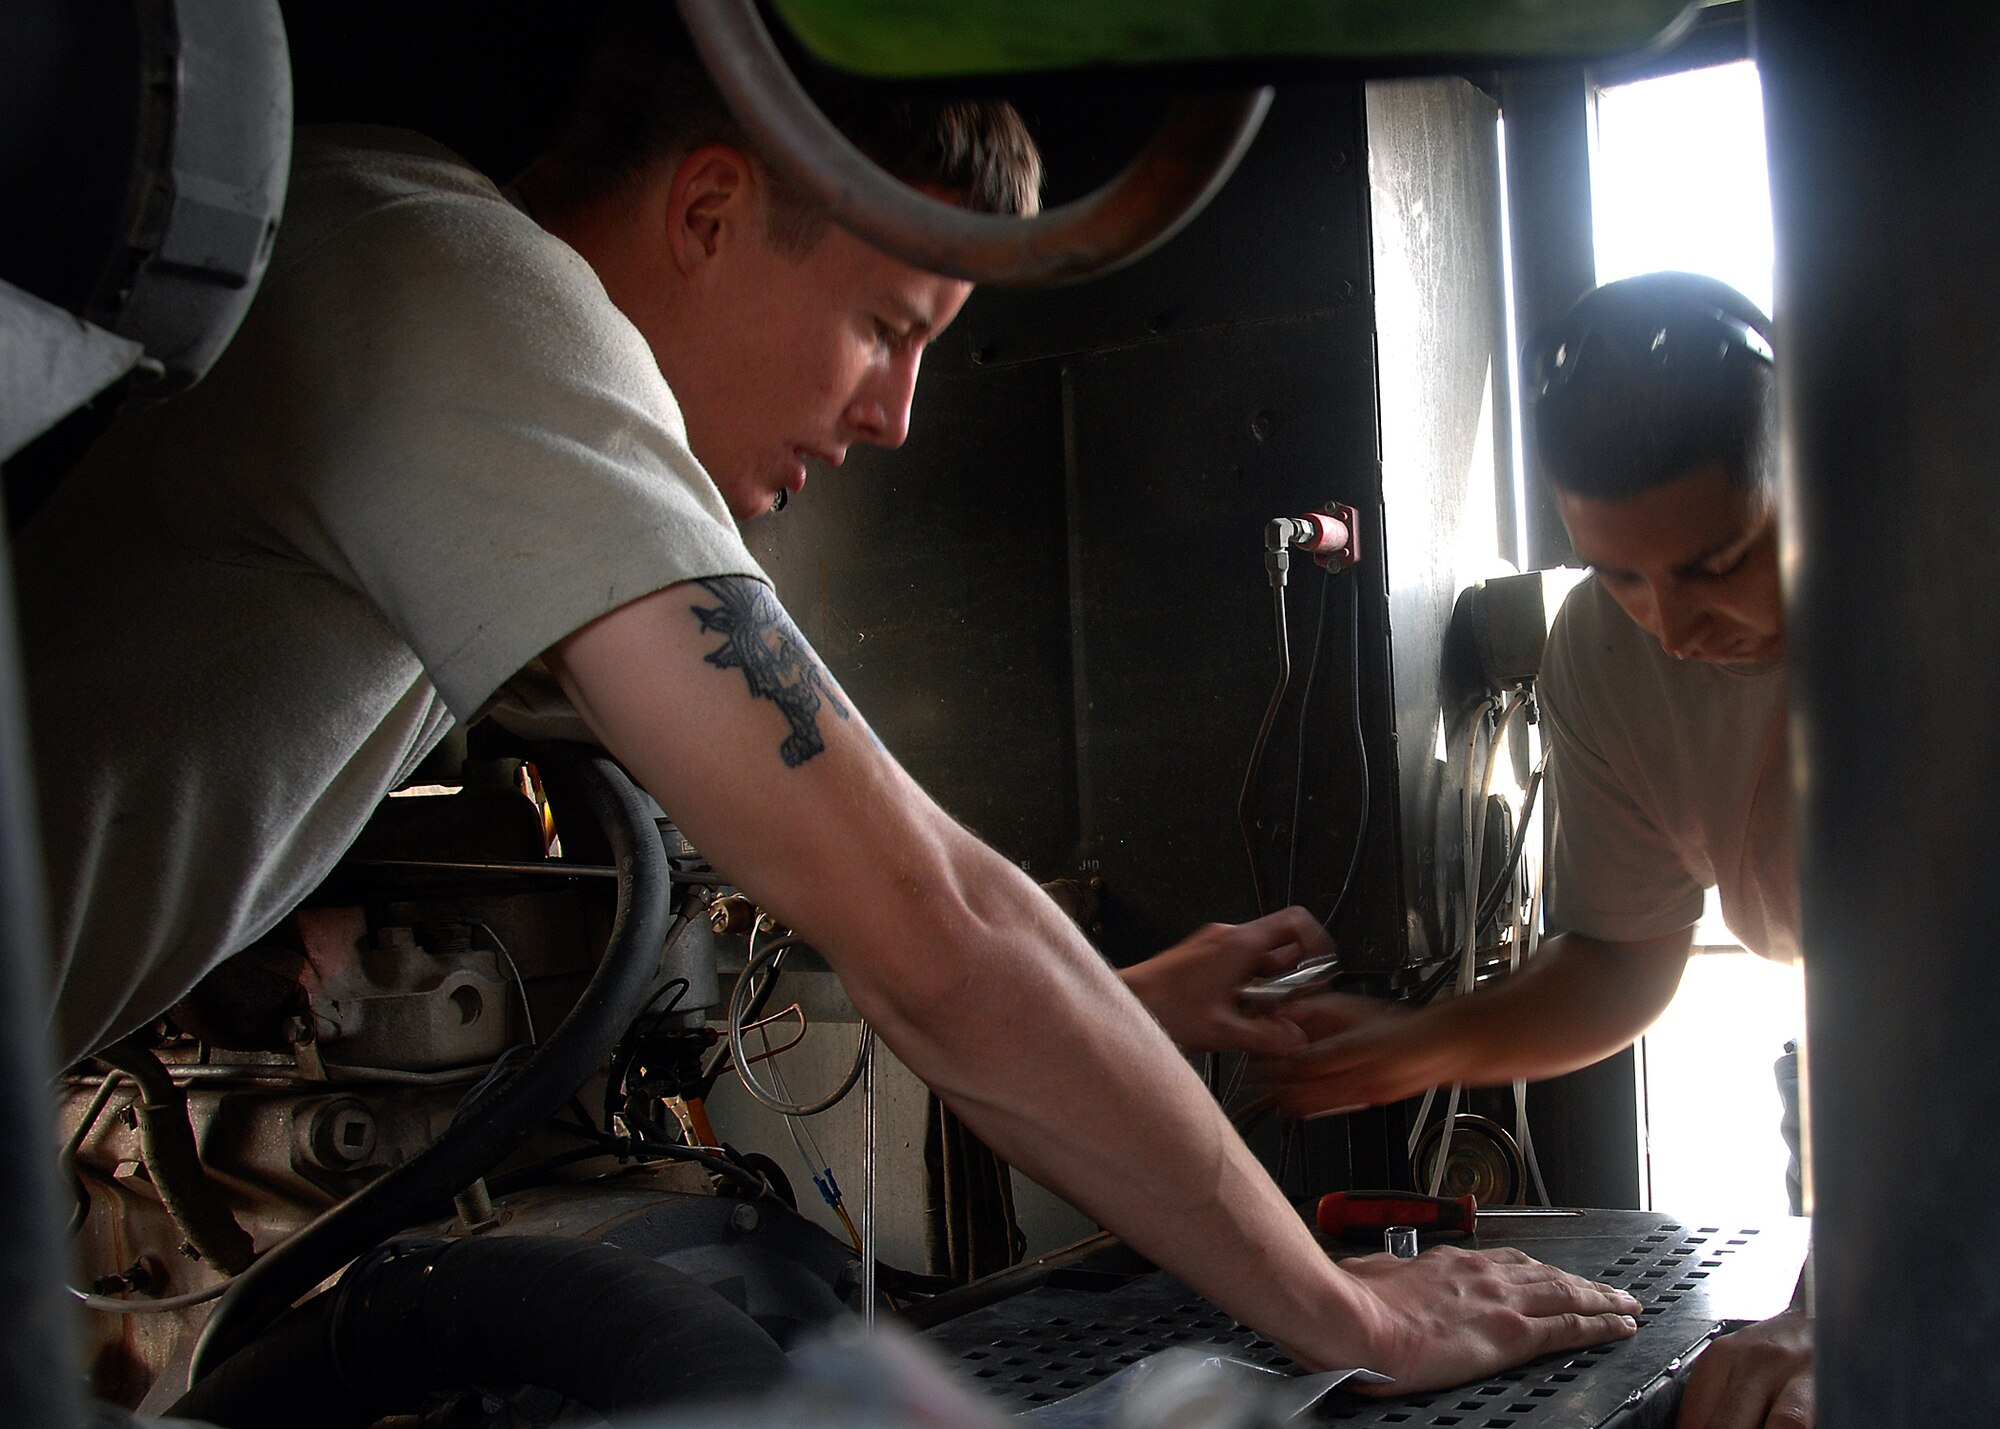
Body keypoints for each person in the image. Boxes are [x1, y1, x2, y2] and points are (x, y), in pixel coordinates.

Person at [16, 5, 1638, 1390]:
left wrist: (1119, 1000)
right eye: (887, 325)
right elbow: (926, 912)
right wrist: (1351, 1309)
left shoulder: (411, 279)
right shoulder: (473, 287)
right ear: (711, 210)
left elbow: (910, 911)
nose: (897, 414)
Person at [1270, 272, 1812, 1425]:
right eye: (1619, 573)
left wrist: (1850, 1292)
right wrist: (1424, 1044)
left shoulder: (1945, 595)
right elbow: (1622, 953)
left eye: (1715, 565)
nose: (1666, 624)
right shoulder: (1605, 656)